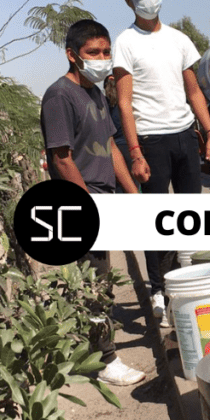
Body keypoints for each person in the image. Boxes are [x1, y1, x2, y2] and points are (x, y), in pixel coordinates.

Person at [39, 19, 145, 386]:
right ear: (72, 56)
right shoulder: (59, 96)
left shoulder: (96, 93)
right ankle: (105, 360)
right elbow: (61, 158)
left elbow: (110, 145)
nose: (102, 59)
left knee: (99, 278)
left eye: (105, 52)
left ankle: (93, 352)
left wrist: (132, 193)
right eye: (93, 53)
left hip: (105, 198)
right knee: (95, 283)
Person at [112, 0, 210, 326]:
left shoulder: (179, 39)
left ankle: (190, 281)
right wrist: (135, 152)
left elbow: (193, 91)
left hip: (184, 136)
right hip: (150, 141)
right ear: (129, 0)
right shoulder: (125, 42)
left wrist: (209, 132)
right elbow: (124, 103)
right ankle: (159, 290)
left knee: (192, 217)